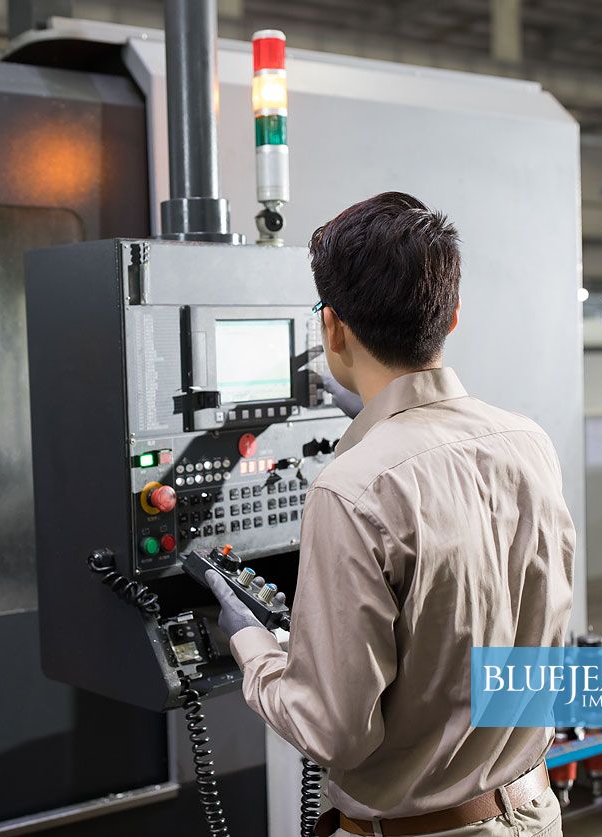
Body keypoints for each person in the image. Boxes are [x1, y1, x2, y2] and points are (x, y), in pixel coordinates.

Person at [206, 191, 575, 837]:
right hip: (531, 812)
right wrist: (375, 427)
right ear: (452, 315)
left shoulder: (350, 490)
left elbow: (334, 731)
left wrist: (248, 641)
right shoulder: (526, 441)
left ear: (332, 329)